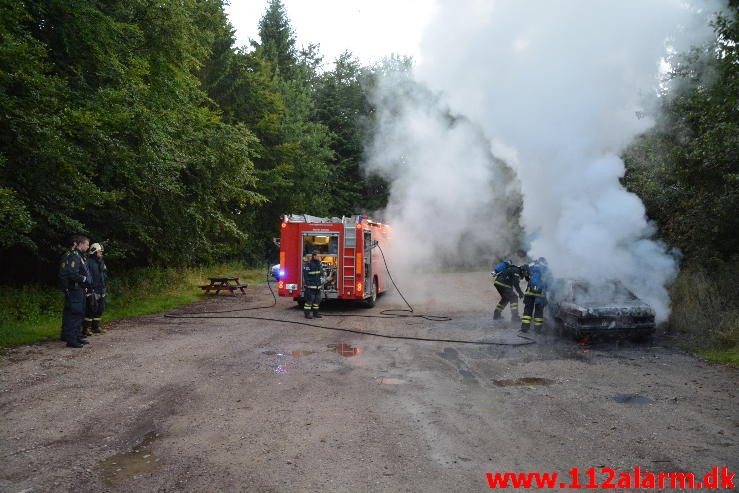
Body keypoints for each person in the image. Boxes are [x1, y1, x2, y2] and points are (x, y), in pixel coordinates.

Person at [59, 235, 91, 348]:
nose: (88, 247)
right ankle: (71, 340)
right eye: (87, 244)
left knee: (80, 313)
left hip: (80, 289)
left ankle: (76, 336)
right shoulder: (74, 256)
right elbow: (73, 274)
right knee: (75, 313)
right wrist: (85, 280)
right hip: (75, 289)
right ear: (81, 244)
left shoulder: (80, 256)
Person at [520, 257, 552, 333]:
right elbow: (549, 284)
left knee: (527, 310)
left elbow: (527, 277)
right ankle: (537, 330)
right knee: (538, 312)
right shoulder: (546, 269)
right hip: (540, 294)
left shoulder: (532, 266)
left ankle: (524, 328)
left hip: (529, 293)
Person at [83, 242, 108, 334]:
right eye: (100, 251)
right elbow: (87, 275)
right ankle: (86, 328)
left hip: (101, 288)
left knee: (100, 308)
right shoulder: (88, 262)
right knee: (91, 308)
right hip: (92, 289)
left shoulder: (101, 262)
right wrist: (89, 287)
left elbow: (105, 273)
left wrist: (104, 280)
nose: (101, 253)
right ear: (94, 252)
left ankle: (96, 326)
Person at [302, 250, 324, 319]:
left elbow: (320, 273)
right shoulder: (309, 264)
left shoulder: (319, 264)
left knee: (317, 300)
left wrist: (324, 274)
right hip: (311, 286)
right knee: (309, 301)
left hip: (318, 286)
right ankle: (307, 314)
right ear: (314, 256)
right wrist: (307, 284)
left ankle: (316, 313)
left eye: (319, 256)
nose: (319, 257)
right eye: (318, 256)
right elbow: (305, 275)